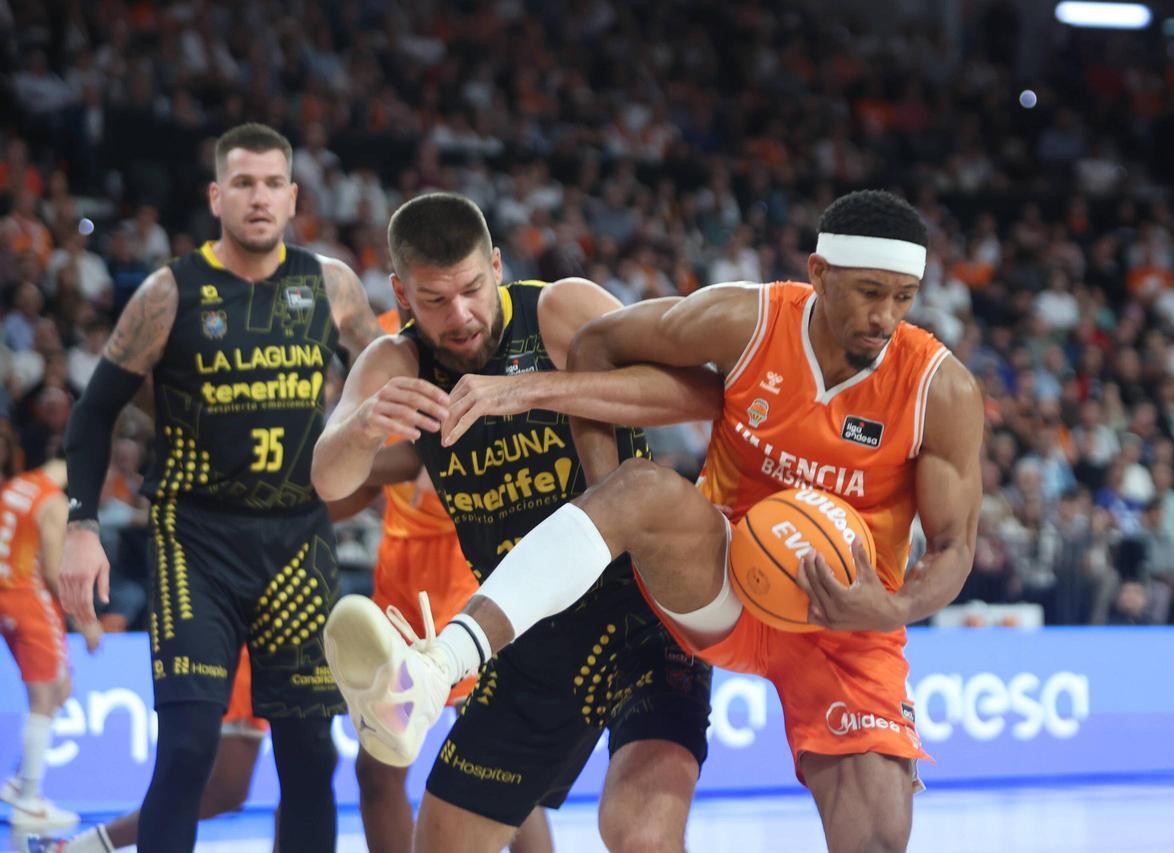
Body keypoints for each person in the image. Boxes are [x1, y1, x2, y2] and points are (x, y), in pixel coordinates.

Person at [328, 190, 984, 852]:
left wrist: (889, 604)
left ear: (495, 268)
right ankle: (438, 667)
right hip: (720, 571)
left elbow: (955, 550)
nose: (886, 316)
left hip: (842, 615)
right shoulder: (746, 319)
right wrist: (603, 500)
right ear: (818, 273)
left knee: (870, 837)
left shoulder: (941, 387)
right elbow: (598, 346)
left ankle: (451, 656)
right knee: (638, 488)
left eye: (904, 297)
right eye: (870, 292)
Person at [312, 192, 719, 853]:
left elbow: (702, 392)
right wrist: (362, 427)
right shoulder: (398, 361)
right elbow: (327, 478)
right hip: (526, 630)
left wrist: (532, 389)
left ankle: (431, 672)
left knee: (639, 834)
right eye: (435, 299)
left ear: (496, 265)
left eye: (472, 288)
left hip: (644, 611)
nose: (461, 314)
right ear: (401, 292)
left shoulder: (559, 310)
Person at [57, 122, 381, 853]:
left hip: (298, 539)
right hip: (194, 540)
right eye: (243, 183)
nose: (258, 197)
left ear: (294, 196)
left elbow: (393, 374)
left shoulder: (331, 286)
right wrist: (82, 525)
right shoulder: (169, 291)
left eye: (272, 184)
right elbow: (93, 409)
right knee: (186, 750)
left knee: (310, 757)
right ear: (216, 195)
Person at [348, 308, 553, 853]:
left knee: (498, 770)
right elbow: (342, 490)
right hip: (399, 582)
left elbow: (425, 478)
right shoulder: (382, 345)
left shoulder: (476, 347)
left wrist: (356, 454)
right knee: (379, 768)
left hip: (464, 576)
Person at [26, 648, 276, 853]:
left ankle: (78, 848)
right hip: (260, 645)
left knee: (235, 792)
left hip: (294, 641)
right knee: (223, 792)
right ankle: (76, 848)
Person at [0, 435, 101, 831]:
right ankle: (28, 800)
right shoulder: (53, 502)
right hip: (29, 599)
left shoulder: (15, 486)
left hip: (6, 597)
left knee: (59, 687)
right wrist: (86, 621)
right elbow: (56, 571)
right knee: (47, 696)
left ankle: (19, 782)